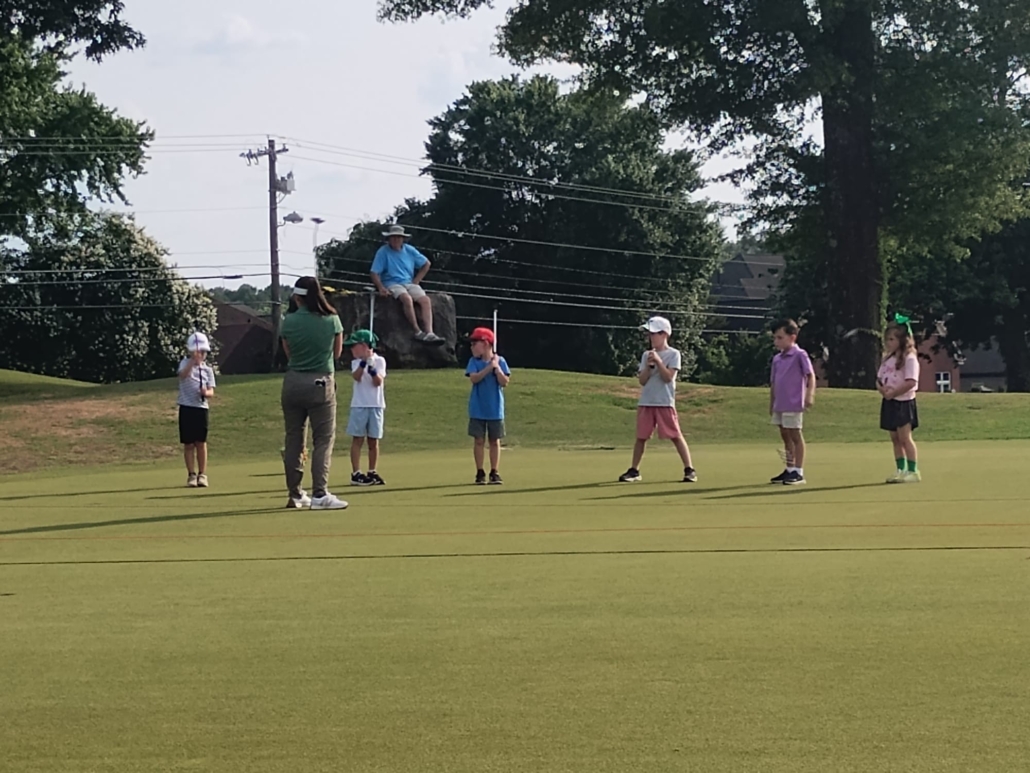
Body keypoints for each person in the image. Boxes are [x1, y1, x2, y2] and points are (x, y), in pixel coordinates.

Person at [279, 276, 349, 510]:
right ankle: (320, 493)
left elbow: (288, 352)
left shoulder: (288, 321)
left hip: (292, 382)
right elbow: (337, 353)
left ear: (297, 298)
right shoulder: (332, 319)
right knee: (323, 440)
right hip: (320, 381)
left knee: (293, 439)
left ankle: (295, 494)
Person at [618, 317, 697, 483]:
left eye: (654, 334)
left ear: (664, 334)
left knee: (675, 435)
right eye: (649, 334)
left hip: (664, 402)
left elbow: (668, 377)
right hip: (646, 402)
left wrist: (659, 362)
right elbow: (642, 380)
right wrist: (648, 365)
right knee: (641, 437)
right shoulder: (646, 355)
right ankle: (634, 470)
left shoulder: (674, 354)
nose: (651, 337)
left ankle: (689, 469)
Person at [370, 224, 444, 345]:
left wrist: (417, 280)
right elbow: (374, 272)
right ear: (389, 239)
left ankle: (430, 332)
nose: (396, 240)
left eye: (398, 237)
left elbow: (426, 264)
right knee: (406, 299)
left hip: (409, 282)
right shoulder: (383, 252)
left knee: (425, 300)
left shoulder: (409, 250)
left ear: (403, 239)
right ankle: (417, 331)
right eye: (393, 237)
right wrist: (381, 287)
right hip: (392, 283)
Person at [768, 319, 816, 486]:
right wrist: (772, 403)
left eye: (780, 337)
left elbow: (810, 375)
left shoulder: (800, 355)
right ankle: (789, 469)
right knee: (785, 436)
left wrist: (809, 395)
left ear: (792, 337)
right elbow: (774, 383)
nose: (776, 341)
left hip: (793, 403)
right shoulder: (777, 359)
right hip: (780, 404)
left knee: (795, 435)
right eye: (775, 338)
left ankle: (798, 471)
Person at [878, 319, 921, 483]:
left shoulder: (909, 359)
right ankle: (900, 469)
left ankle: (913, 471)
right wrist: (884, 391)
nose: (888, 343)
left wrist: (894, 392)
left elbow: (911, 382)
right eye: (886, 339)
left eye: (891, 339)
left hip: (903, 402)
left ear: (902, 340)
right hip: (889, 401)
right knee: (894, 438)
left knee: (904, 437)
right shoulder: (887, 359)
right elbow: (879, 379)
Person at [466, 327, 510, 485]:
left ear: (485, 344)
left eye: (474, 343)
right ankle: (480, 471)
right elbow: (474, 378)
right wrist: (489, 368)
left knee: (494, 440)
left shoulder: (500, 361)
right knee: (478, 440)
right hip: (478, 408)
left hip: (495, 409)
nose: (472, 347)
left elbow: (504, 382)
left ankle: (494, 471)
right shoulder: (474, 362)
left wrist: (496, 368)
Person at [345, 329, 387, 487]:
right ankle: (356, 472)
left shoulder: (380, 361)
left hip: (376, 404)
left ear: (363, 345)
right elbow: (356, 377)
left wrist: (372, 367)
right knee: (357, 439)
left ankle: (372, 470)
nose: (351, 349)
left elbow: (378, 382)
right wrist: (363, 363)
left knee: (373, 440)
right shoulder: (355, 362)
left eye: (354, 346)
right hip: (359, 405)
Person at [177, 332, 216, 488]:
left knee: (201, 443)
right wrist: (192, 362)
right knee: (188, 444)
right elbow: (182, 375)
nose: (200, 355)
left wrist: (206, 393)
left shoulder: (208, 370)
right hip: (186, 408)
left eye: (202, 352)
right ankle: (191, 475)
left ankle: (202, 474)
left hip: (201, 409)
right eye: (197, 352)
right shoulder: (184, 363)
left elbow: (212, 391)